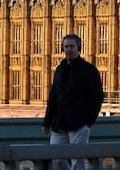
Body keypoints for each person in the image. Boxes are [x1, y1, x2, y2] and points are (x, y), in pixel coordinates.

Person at [43, 33, 105, 170]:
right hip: (59, 124)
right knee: (57, 159)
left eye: (71, 46)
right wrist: (47, 121)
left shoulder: (89, 70)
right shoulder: (59, 70)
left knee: (77, 162)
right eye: (66, 46)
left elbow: (97, 96)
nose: (68, 49)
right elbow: (53, 97)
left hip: (79, 124)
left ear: (79, 48)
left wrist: (88, 121)